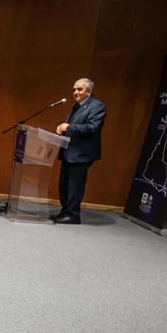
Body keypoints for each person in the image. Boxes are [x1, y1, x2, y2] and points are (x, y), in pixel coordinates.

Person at [52, 77, 106, 225]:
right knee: (64, 185)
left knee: (75, 186)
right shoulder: (77, 106)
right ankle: (65, 211)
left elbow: (92, 128)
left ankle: (73, 215)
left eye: (80, 89)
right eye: (74, 89)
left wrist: (68, 127)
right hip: (69, 152)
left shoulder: (97, 106)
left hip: (82, 154)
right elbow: (72, 126)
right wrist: (62, 128)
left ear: (89, 91)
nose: (75, 92)